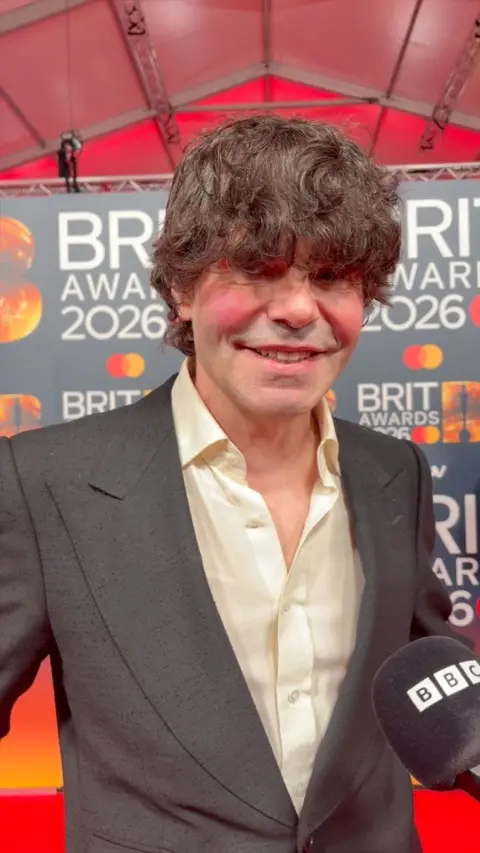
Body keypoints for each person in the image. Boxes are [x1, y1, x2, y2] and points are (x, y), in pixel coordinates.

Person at [0, 116, 459, 853]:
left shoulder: (395, 473)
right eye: (257, 268)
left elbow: (436, 678)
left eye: (333, 276)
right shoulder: (43, 481)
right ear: (182, 287)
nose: (298, 309)